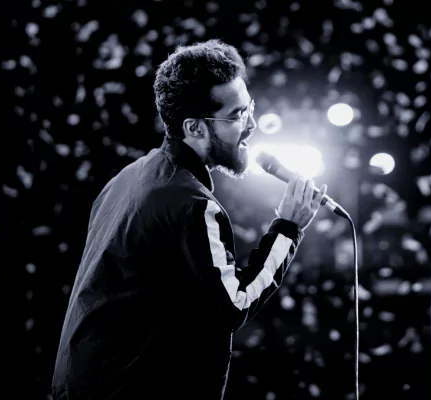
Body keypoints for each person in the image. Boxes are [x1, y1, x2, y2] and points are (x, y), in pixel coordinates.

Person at [51, 39, 328, 400]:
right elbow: (235, 305)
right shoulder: (192, 204)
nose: (251, 124)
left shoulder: (127, 179)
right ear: (195, 128)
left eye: (249, 107)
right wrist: (288, 228)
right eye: (236, 115)